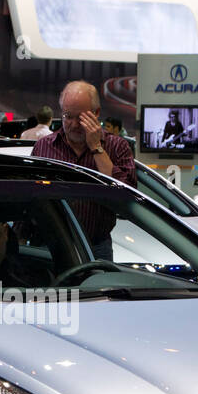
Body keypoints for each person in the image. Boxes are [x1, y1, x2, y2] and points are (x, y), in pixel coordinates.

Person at [29, 80, 135, 260]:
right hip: (49, 246)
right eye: (68, 116)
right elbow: (29, 196)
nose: (74, 124)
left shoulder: (117, 146)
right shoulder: (44, 147)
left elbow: (126, 194)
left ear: (97, 113)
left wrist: (96, 148)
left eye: (81, 118)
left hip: (96, 247)